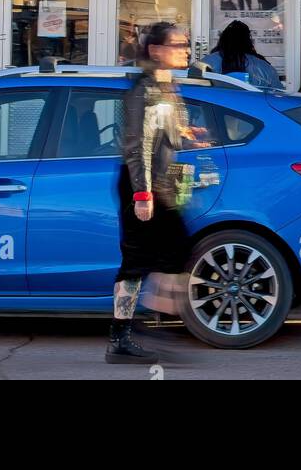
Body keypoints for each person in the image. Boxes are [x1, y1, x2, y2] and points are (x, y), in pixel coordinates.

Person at [107, 22, 203, 364]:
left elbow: (164, 129)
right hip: (142, 185)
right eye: (177, 44)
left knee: (175, 252)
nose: (185, 50)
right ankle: (125, 336)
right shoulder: (143, 91)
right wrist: (142, 196)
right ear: (156, 51)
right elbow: (137, 146)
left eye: (185, 44)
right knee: (136, 261)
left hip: (163, 184)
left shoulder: (167, 87)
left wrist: (187, 133)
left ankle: (152, 327)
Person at [204, 19, 281, 87]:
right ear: (248, 41)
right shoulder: (264, 66)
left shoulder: (206, 62)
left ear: (223, 40)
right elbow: (277, 96)